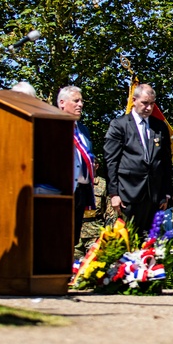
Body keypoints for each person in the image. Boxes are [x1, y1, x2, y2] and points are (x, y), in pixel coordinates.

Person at [103, 83, 173, 233]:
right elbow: (111, 161)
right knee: (126, 240)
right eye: (145, 103)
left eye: (152, 104)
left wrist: (166, 192)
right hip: (128, 194)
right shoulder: (119, 125)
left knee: (150, 243)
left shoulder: (160, 127)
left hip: (154, 196)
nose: (148, 108)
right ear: (134, 100)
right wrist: (114, 193)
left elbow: (166, 161)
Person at [58, 86, 98, 255]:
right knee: (59, 236)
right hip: (62, 190)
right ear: (62, 103)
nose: (80, 104)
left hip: (81, 190)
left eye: (81, 101)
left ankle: (68, 275)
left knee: (73, 238)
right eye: (76, 101)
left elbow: (87, 155)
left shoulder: (83, 130)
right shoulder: (54, 125)